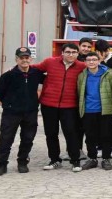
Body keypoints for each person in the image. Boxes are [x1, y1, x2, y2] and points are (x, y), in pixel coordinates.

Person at [31, 43, 86, 172]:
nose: (71, 54)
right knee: (51, 133)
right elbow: (34, 68)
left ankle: (75, 160)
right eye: (68, 52)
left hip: (70, 106)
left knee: (71, 133)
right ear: (62, 53)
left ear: (78, 54)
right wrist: (14, 68)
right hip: (49, 104)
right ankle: (55, 160)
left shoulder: (82, 67)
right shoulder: (50, 62)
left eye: (74, 52)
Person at [0, 48, 45, 176]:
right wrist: (9, 103)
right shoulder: (8, 75)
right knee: (6, 138)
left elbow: (50, 81)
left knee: (28, 138)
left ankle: (22, 162)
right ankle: (1, 164)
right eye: (21, 58)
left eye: (27, 57)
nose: (24, 60)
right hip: (11, 113)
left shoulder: (36, 73)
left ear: (30, 59)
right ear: (17, 59)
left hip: (30, 112)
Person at [77, 51, 112, 171]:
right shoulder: (82, 75)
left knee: (105, 135)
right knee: (90, 136)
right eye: (89, 60)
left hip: (105, 110)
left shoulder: (108, 74)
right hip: (88, 110)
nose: (91, 62)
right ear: (85, 62)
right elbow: (79, 92)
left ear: (99, 61)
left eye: (94, 60)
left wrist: (110, 106)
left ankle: (106, 159)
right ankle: (92, 158)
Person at [95, 39, 112, 159]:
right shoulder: (94, 60)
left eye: (105, 51)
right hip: (97, 97)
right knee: (98, 124)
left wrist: (102, 62)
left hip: (110, 97)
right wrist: (98, 61)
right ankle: (99, 147)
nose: (103, 54)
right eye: (100, 51)